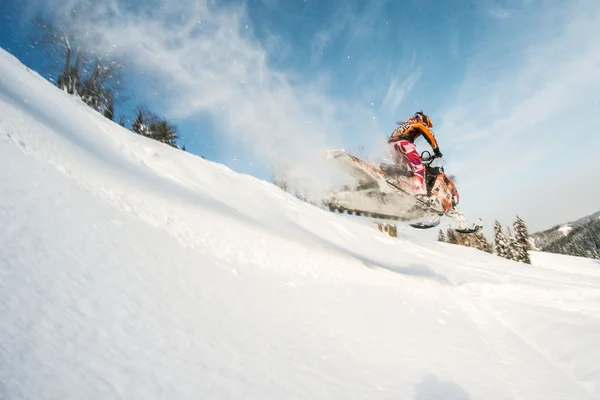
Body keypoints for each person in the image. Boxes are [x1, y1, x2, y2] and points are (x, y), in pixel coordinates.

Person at [387, 111, 443, 196]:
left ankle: (394, 183)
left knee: (401, 170)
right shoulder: (419, 124)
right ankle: (419, 193)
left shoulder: (406, 124)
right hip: (404, 144)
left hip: (392, 145)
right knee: (419, 169)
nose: (427, 126)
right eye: (427, 125)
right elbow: (429, 135)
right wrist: (436, 151)